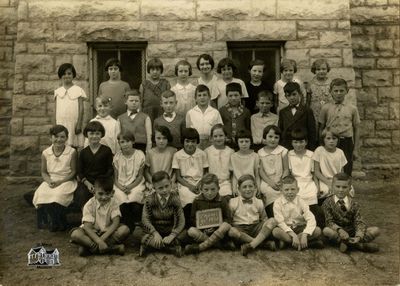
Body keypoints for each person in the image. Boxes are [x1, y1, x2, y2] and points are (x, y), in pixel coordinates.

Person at [33, 125, 77, 231]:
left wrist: (60, 182)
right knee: (41, 194)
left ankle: (59, 221)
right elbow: (43, 172)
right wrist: (49, 181)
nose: (59, 139)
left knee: (57, 195)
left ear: (66, 138)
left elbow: (74, 172)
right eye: (56, 136)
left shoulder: (71, 152)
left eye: (62, 137)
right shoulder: (46, 153)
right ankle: (50, 220)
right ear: (50, 138)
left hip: (66, 180)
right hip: (51, 179)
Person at [70, 177, 130, 256]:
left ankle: (90, 248)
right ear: (94, 192)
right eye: (100, 194)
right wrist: (99, 241)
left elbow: (116, 223)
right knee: (75, 234)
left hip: (108, 233)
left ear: (112, 192)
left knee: (125, 230)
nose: (104, 197)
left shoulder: (114, 202)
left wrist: (101, 240)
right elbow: (87, 227)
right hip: (91, 233)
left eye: (107, 194)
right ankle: (111, 248)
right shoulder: (89, 205)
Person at [322, 173, 380, 253]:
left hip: (352, 231)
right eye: (338, 186)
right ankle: (359, 245)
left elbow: (359, 221)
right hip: (338, 233)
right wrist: (340, 230)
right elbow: (329, 222)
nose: (341, 190)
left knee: (376, 230)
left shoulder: (354, 203)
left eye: (344, 187)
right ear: (332, 187)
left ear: (350, 188)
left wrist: (358, 236)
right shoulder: (327, 203)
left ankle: (349, 243)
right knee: (326, 231)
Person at [318, 78, 360, 175]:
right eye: (335, 91)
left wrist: (356, 149)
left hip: (347, 142)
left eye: (341, 91)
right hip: (330, 141)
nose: (338, 93)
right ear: (331, 92)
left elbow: (357, 129)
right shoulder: (326, 108)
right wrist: (322, 145)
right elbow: (321, 128)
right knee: (330, 168)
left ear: (347, 91)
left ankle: (347, 188)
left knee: (346, 168)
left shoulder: (352, 108)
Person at [228, 175, 277, 256]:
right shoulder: (233, 202)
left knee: (272, 221)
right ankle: (261, 244)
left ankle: (251, 245)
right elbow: (230, 220)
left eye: (250, 186)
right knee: (231, 231)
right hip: (241, 229)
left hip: (255, 228)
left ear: (255, 188)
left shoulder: (259, 202)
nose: (248, 189)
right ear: (239, 189)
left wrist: (263, 228)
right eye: (244, 187)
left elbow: (264, 219)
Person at [185, 173, 233, 254]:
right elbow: (193, 219)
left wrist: (217, 228)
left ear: (218, 188)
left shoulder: (222, 201)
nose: (209, 193)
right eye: (206, 190)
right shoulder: (197, 201)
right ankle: (219, 245)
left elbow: (228, 219)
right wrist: (203, 229)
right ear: (201, 189)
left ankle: (200, 247)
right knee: (191, 231)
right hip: (204, 233)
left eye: (213, 189)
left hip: (218, 231)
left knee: (226, 226)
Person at [140, 171, 185, 257]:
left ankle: (151, 247)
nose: (164, 190)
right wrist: (155, 233)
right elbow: (145, 219)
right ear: (154, 188)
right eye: (160, 188)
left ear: (171, 183)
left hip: (170, 230)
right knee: (140, 235)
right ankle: (171, 249)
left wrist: (172, 235)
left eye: (167, 186)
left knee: (185, 234)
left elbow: (181, 220)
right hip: (155, 230)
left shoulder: (175, 199)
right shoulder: (149, 200)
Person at [272, 175, 324, 250]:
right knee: (275, 231)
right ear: (281, 190)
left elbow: (311, 218)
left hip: (300, 228)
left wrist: (305, 234)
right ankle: (308, 243)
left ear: (298, 190)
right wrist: (293, 235)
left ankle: (289, 243)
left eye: (293, 189)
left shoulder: (301, 201)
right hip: (286, 229)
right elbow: (280, 222)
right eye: (286, 190)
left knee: (317, 230)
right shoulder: (277, 203)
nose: (290, 192)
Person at [287, 129, 324, 227]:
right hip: (296, 182)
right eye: (295, 142)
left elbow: (314, 173)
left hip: (309, 182)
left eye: (301, 142)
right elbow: (290, 173)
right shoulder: (289, 154)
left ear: (306, 142)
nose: (298, 145)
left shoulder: (311, 154)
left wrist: (317, 186)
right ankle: (299, 224)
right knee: (297, 202)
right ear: (291, 143)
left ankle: (314, 225)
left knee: (312, 202)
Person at [172, 128, 208, 225]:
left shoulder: (202, 154)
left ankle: (203, 224)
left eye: (193, 142)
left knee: (203, 198)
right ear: (183, 141)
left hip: (200, 182)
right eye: (187, 141)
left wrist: (200, 184)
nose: (190, 144)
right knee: (188, 198)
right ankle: (189, 224)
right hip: (185, 183)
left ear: (197, 142)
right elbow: (178, 177)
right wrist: (190, 186)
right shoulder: (177, 155)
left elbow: (205, 173)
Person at [113, 131, 146, 233]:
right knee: (120, 196)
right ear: (119, 144)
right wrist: (121, 187)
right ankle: (128, 225)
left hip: (136, 183)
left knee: (135, 195)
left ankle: (134, 223)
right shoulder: (117, 157)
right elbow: (115, 177)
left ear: (133, 142)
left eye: (128, 141)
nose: (125, 144)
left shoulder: (140, 155)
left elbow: (140, 176)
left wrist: (131, 186)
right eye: (122, 142)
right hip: (120, 184)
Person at [76, 121, 114, 209]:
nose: (94, 136)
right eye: (91, 133)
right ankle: (86, 217)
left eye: (97, 133)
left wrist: (99, 184)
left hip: (102, 181)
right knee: (81, 194)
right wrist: (87, 184)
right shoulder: (83, 152)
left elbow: (110, 169)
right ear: (87, 135)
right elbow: (80, 172)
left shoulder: (106, 150)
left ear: (101, 135)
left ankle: (103, 218)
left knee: (103, 194)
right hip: (87, 182)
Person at [258, 125, 289, 218]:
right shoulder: (260, 153)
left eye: (276, 137)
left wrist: (282, 181)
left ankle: (285, 218)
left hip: (280, 179)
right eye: (270, 137)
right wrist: (270, 183)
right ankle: (273, 217)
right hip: (267, 181)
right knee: (269, 192)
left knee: (284, 192)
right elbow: (261, 171)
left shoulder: (282, 151)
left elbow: (286, 169)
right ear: (265, 137)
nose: (273, 140)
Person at [54, 63, 86, 148]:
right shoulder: (58, 91)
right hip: (61, 122)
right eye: (64, 74)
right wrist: (55, 124)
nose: (66, 76)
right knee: (61, 144)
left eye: (69, 73)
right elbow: (55, 109)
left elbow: (81, 108)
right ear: (60, 76)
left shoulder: (78, 90)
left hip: (74, 122)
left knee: (73, 144)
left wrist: (79, 123)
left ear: (73, 75)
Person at [278, 82, 317, 151]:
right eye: (288, 95)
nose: (292, 97)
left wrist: (311, 149)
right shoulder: (283, 112)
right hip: (287, 146)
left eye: (294, 94)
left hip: (303, 146)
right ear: (286, 97)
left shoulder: (307, 111)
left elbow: (312, 132)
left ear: (300, 94)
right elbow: (281, 130)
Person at [312, 128, 348, 201]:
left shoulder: (340, 152)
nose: (331, 141)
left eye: (334, 138)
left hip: (337, 180)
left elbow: (341, 172)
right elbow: (317, 172)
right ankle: (326, 207)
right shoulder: (319, 151)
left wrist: (338, 182)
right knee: (325, 191)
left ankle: (342, 208)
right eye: (328, 138)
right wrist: (329, 183)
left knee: (348, 190)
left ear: (337, 140)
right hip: (324, 180)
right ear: (323, 140)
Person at [186, 84, 223, 150]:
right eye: (199, 95)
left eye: (204, 95)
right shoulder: (190, 113)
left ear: (209, 97)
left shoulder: (215, 112)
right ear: (195, 98)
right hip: (196, 143)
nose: (202, 97)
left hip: (211, 143)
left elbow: (219, 129)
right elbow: (188, 131)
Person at [204, 124, 234, 197]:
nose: (218, 138)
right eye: (215, 136)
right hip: (210, 183)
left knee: (227, 198)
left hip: (226, 182)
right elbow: (205, 171)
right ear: (211, 138)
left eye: (221, 135)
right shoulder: (207, 151)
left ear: (225, 137)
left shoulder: (230, 151)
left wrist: (233, 186)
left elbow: (232, 173)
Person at [219, 82, 251, 149]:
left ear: (241, 95)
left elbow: (247, 128)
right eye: (230, 96)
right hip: (226, 144)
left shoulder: (246, 111)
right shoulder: (222, 111)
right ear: (227, 96)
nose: (233, 98)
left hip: (241, 144)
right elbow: (220, 127)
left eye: (236, 95)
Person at [140, 58, 171, 122]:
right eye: (152, 69)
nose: (155, 72)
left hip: (162, 112)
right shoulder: (144, 85)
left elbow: (169, 100)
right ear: (149, 70)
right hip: (147, 113)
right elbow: (140, 103)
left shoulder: (166, 83)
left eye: (157, 69)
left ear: (161, 71)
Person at [230, 129, 260, 195]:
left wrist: (258, 188)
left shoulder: (255, 156)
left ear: (250, 142)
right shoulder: (233, 156)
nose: (244, 144)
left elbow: (257, 175)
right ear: (237, 142)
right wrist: (234, 188)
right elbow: (234, 176)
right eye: (241, 141)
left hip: (251, 185)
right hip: (239, 185)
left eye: (246, 141)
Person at [307, 59, 332, 127]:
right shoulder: (311, 83)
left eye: (323, 69)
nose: (321, 71)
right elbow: (308, 99)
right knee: (315, 127)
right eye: (318, 69)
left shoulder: (331, 83)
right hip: (315, 111)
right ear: (314, 71)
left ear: (327, 69)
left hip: (328, 110)